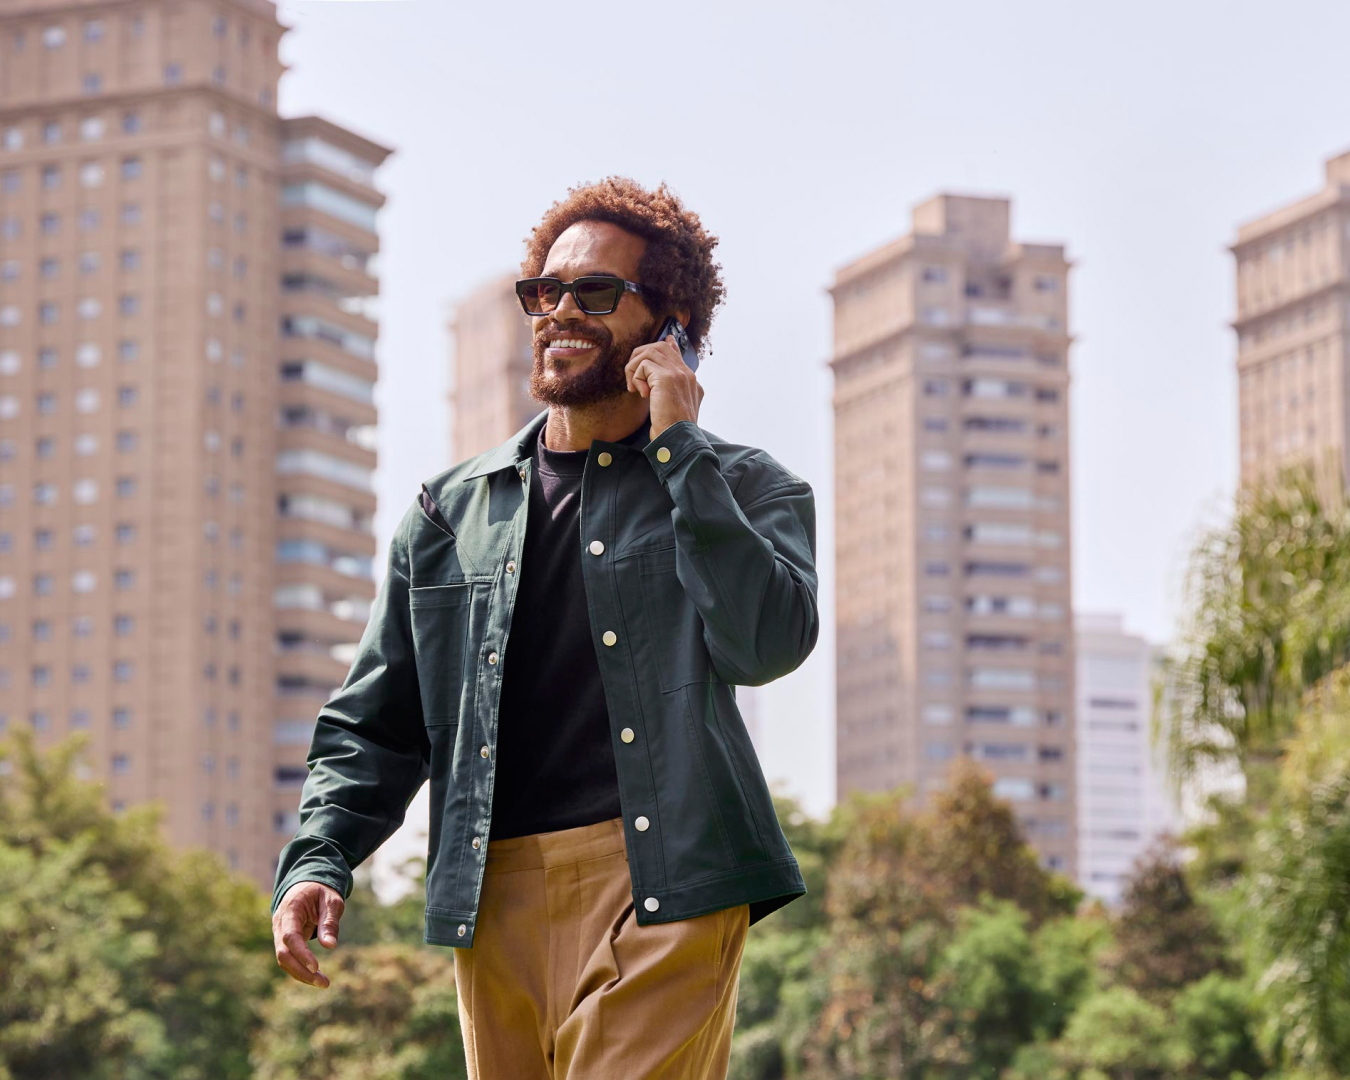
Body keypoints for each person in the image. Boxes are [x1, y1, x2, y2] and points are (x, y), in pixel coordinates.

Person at [271, 176, 820, 1079]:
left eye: (594, 292)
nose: (559, 311)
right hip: (490, 894)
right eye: (544, 292)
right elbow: (375, 722)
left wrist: (680, 448)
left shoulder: (746, 486)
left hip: (667, 879)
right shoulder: (447, 515)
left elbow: (766, 646)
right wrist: (317, 859)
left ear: (671, 321)